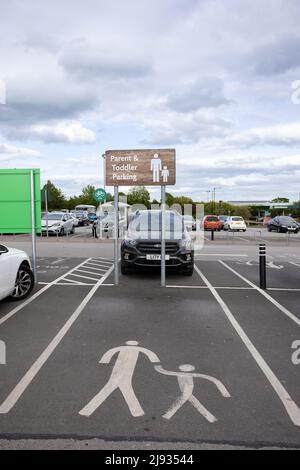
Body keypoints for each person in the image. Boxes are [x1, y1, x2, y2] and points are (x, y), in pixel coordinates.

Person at [79, 341, 160, 417]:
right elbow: (151, 355)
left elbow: (108, 353)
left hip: (118, 370)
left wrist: (104, 361)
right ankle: (137, 411)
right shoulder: (140, 349)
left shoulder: (120, 348)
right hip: (127, 371)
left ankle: (87, 410)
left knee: (115, 386)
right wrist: (155, 361)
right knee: (122, 386)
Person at [155, 364, 230, 421]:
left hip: (186, 382)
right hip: (184, 381)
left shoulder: (182, 375)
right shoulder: (182, 375)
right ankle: (209, 416)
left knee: (185, 397)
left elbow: (164, 371)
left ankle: (168, 414)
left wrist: (158, 367)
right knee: (187, 397)